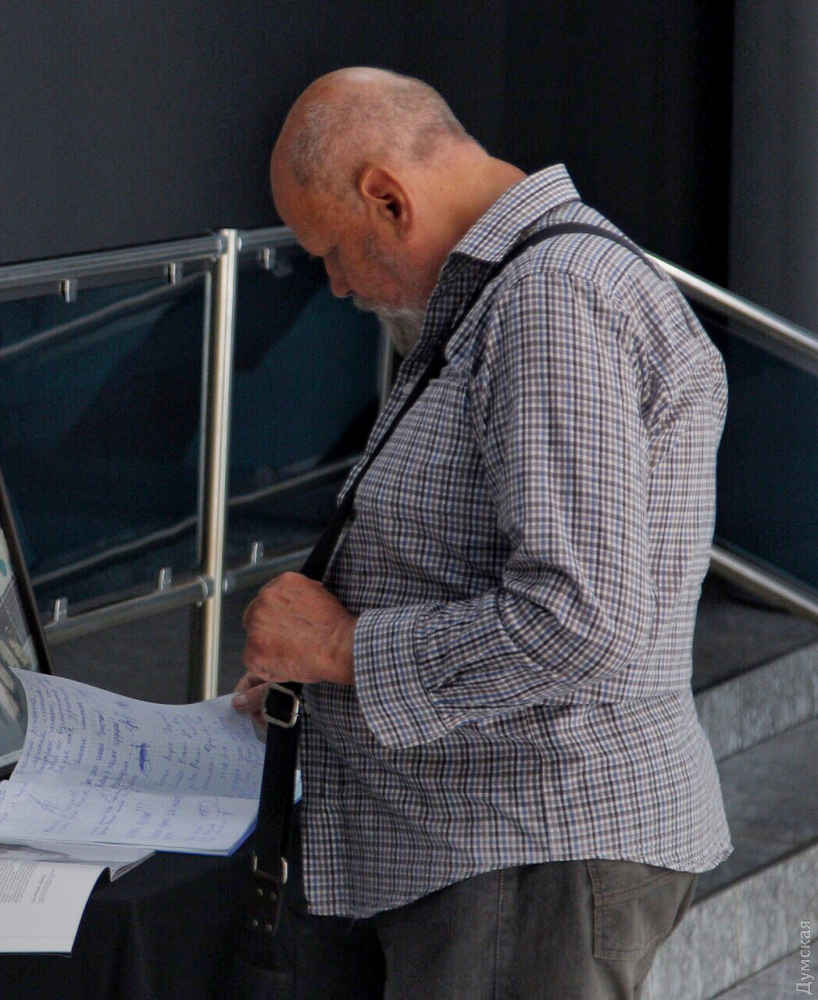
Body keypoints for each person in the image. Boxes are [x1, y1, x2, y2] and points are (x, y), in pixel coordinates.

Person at [233, 67, 730, 998]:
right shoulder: (511, 289)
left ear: (388, 198)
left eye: (330, 251)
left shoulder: (553, 298)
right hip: (505, 856)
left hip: (529, 851)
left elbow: (578, 621)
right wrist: (320, 674)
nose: (334, 285)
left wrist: (341, 649)